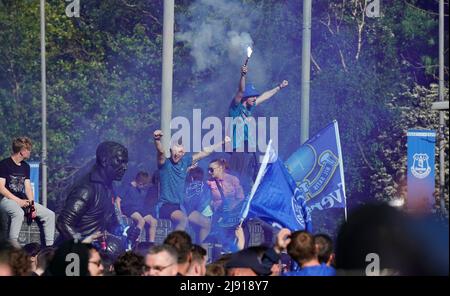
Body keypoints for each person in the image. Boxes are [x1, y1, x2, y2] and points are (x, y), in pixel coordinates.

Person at [56, 141, 140, 250]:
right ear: (104, 160)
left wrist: (126, 231)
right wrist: (82, 244)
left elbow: (111, 222)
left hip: (95, 253)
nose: (124, 167)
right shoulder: (86, 189)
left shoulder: (109, 187)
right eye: (120, 161)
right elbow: (63, 223)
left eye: (125, 163)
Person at [227, 64, 288, 193]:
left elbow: (265, 96)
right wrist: (243, 75)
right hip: (238, 151)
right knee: (237, 181)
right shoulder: (236, 108)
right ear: (245, 98)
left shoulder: (250, 107)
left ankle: (251, 201)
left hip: (250, 149)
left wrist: (279, 87)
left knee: (253, 178)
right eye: (252, 96)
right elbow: (240, 90)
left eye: (255, 96)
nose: (255, 98)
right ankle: (235, 206)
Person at [153, 129, 230, 231]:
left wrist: (222, 142)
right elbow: (161, 152)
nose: (177, 154)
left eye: (180, 152)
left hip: (180, 206)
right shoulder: (165, 164)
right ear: (171, 150)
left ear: (183, 152)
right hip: (165, 206)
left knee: (206, 223)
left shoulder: (185, 162)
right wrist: (157, 140)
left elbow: (204, 153)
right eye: (175, 151)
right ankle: (174, 246)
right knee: (182, 220)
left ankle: (200, 246)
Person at [0, 137, 56, 246]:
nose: (30, 152)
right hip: (5, 200)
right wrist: (18, 201)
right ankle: (13, 245)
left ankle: (49, 248)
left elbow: (28, 187)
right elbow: (1, 188)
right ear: (22, 151)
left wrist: (32, 205)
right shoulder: (4, 164)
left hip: (22, 200)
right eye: (28, 149)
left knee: (50, 214)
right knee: (18, 213)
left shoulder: (26, 166)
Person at [205, 158, 245, 252]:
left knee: (233, 243)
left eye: (211, 169)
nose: (209, 172)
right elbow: (206, 199)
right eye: (208, 170)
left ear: (220, 168)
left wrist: (231, 207)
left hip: (233, 217)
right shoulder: (208, 182)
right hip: (219, 217)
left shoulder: (233, 179)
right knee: (220, 243)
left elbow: (241, 197)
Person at [116, 171, 158, 243]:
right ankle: (134, 240)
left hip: (139, 209)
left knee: (154, 221)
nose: (144, 187)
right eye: (144, 185)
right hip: (129, 209)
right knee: (141, 221)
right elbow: (117, 200)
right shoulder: (127, 186)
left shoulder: (139, 190)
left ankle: (151, 243)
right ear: (140, 183)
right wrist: (120, 213)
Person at [184, 167, 212, 244]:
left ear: (191, 177)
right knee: (207, 223)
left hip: (186, 211)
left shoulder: (185, 185)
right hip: (191, 212)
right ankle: (201, 250)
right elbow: (206, 201)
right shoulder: (205, 186)